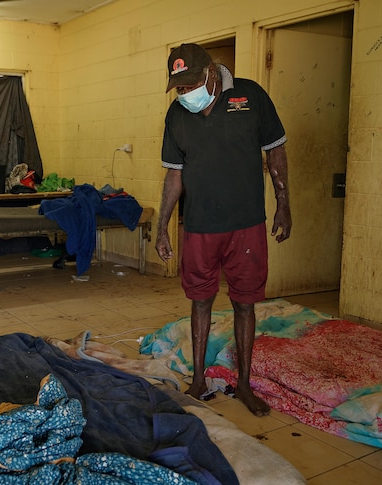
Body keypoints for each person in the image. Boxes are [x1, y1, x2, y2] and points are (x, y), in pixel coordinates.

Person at [155, 43, 292, 417]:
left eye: (190, 85)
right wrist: (163, 225)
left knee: (245, 302)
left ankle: (244, 384)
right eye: (178, 88)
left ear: (211, 75)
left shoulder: (251, 97)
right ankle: (199, 379)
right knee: (200, 299)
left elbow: (275, 152)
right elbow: (174, 175)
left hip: (246, 222)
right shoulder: (177, 114)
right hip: (200, 225)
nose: (185, 94)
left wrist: (283, 204)